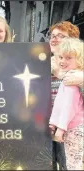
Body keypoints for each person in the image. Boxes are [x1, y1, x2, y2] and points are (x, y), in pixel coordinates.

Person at [48, 21, 82, 170]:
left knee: (67, 163)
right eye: (52, 35)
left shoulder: (78, 69)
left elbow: (71, 102)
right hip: (46, 122)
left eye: (60, 36)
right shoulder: (40, 59)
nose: (54, 39)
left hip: (69, 126)